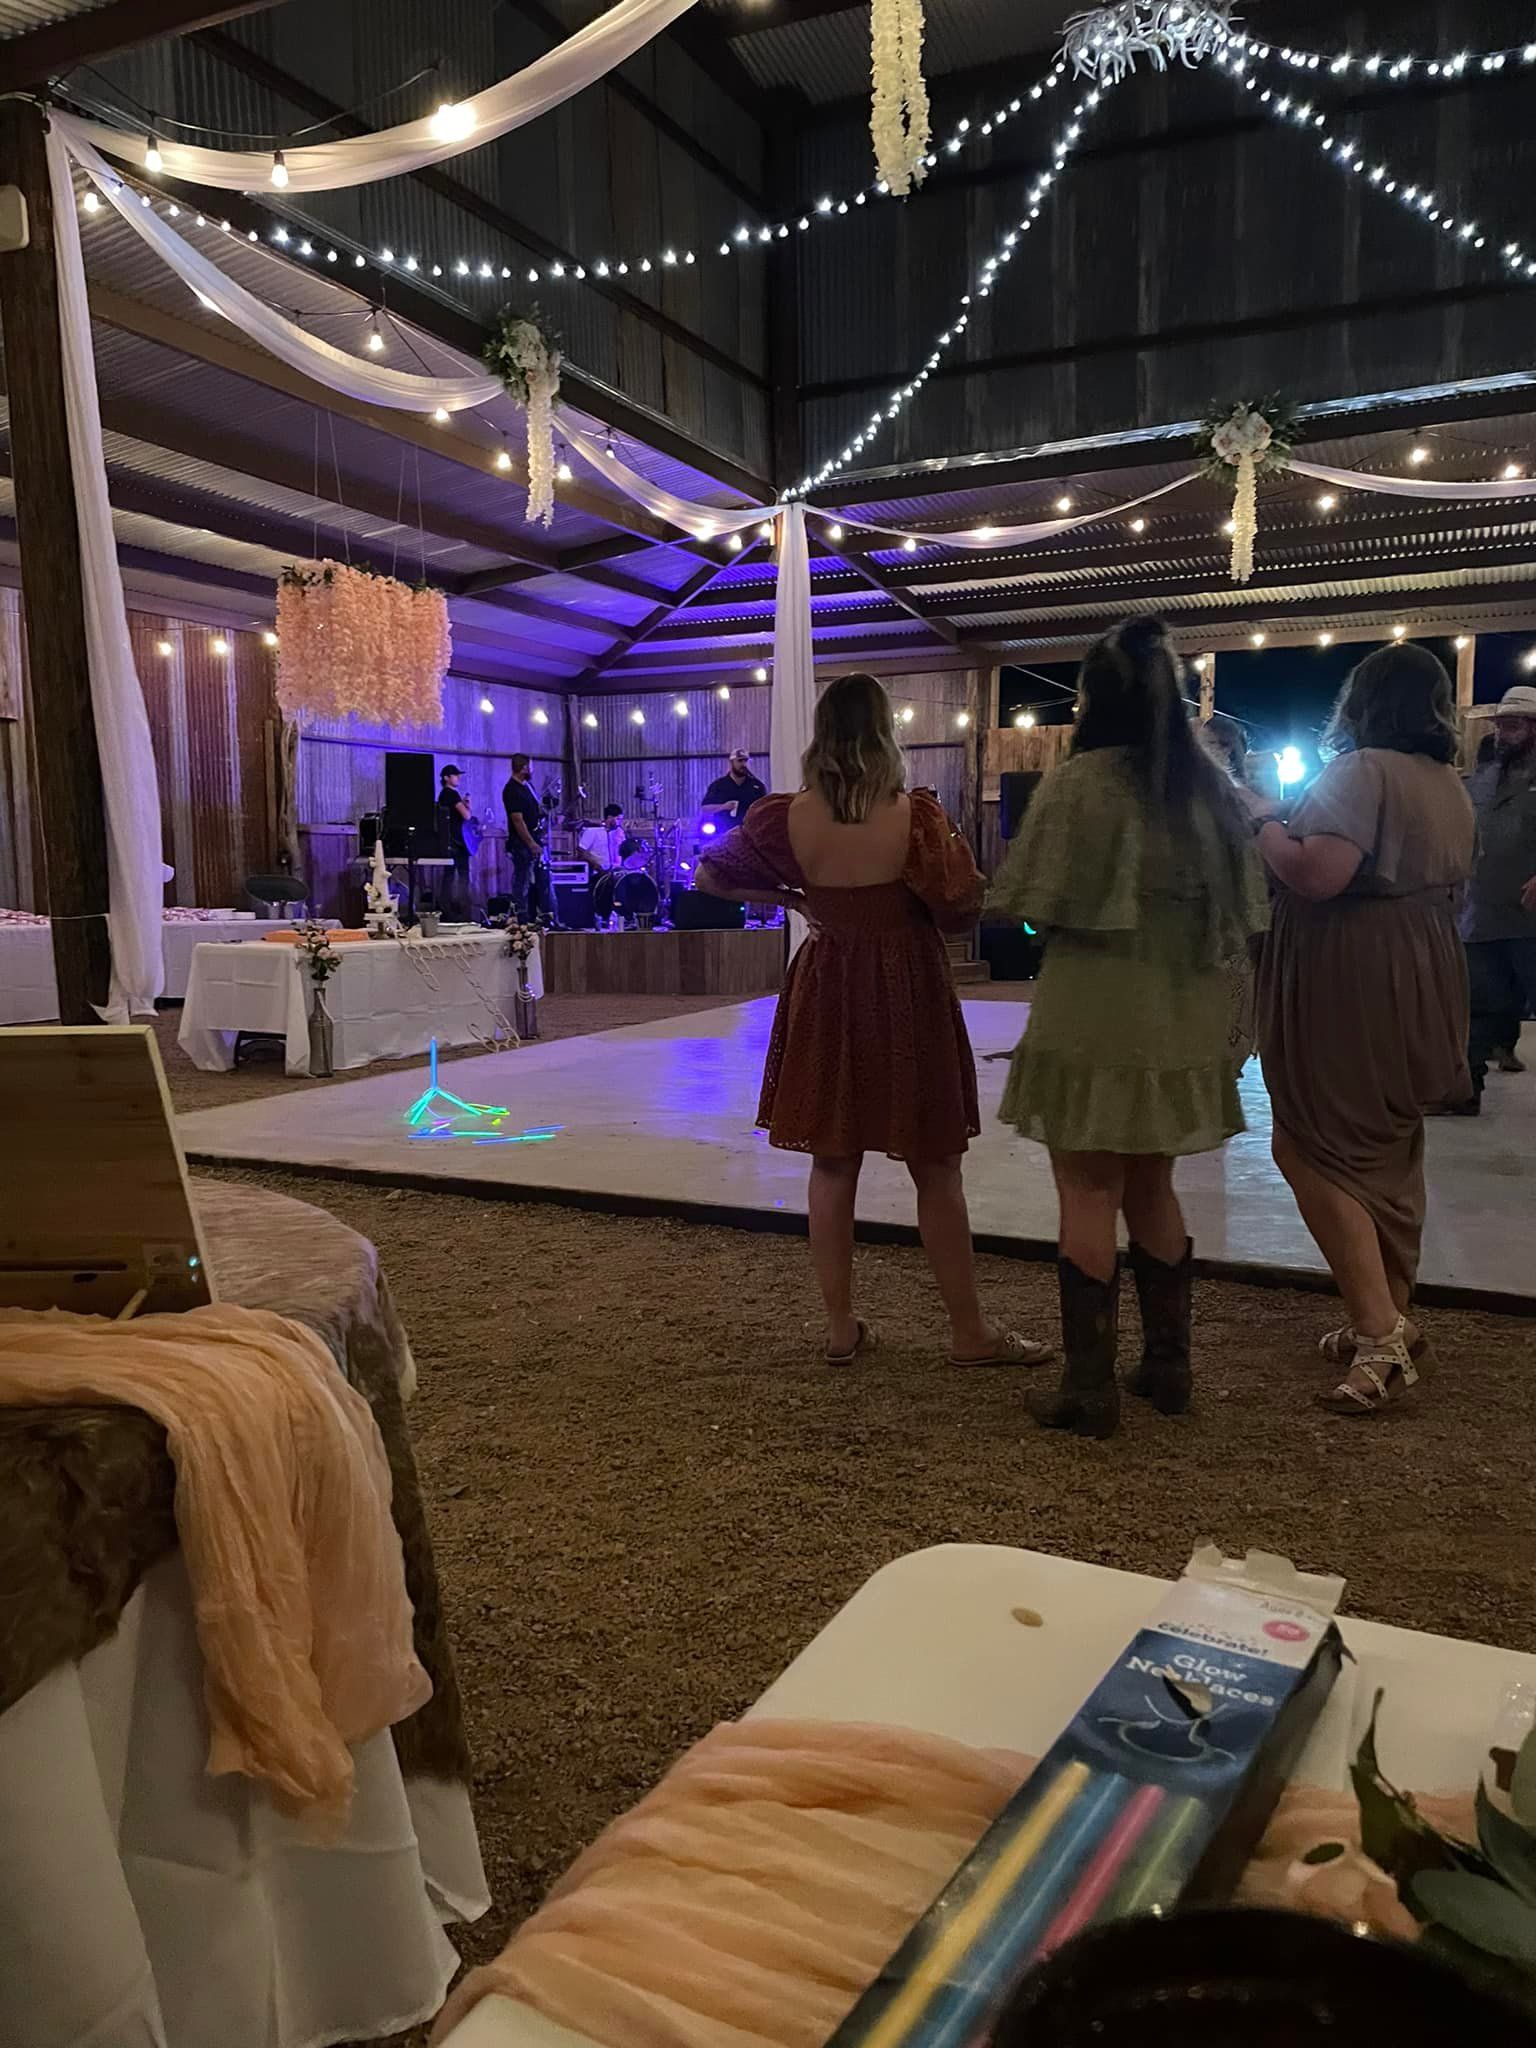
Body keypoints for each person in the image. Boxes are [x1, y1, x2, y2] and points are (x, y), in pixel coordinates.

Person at [696, 672, 1048, 1372]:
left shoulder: (783, 816)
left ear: (822, 736)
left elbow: (710, 876)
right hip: (906, 986)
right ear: (886, 733)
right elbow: (959, 907)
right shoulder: (914, 816)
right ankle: (969, 1331)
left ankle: (839, 1328)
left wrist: (793, 897)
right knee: (935, 1165)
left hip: (828, 984)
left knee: (832, 1161)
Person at [990, 618, 1269, 1440]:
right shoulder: (1208, 788)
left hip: (1090, 1016)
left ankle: (1088, 1388)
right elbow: (1246, 912)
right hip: (1178, 1017)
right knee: (1154, 1186)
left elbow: (1029, 906)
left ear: (1092, 696)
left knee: (1086, 1189)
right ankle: (1168, 1367)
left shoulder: (1080, 786)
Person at [1246, 643, 1474, 1416]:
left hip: (1353, 973)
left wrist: (1265, 820)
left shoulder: (1361, 770)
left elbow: (1317, 875)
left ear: (1362, 701)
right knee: (1386, 1141)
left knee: (1309, 1141)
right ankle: (1390, 1311)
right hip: (1424, 963)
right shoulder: (1448, 781)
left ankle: (1380, 1331)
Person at [1461, 683, 1536, 1105]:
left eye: (1514, 725)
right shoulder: (1483, 780)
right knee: (1476, 1007)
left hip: (1530, 921)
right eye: (1502, 726)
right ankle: (1466, 1089)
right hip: (1483, 914)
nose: (1504, 734)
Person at [501, 753, 553, 923]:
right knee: (522, 880)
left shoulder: (527, 786)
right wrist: (530, 843)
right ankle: (520, 917)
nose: (533, 770)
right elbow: (517, 820)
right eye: (531, 766)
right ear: (523, 768)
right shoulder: (511, 790)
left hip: (536, 838)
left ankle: (545, 915)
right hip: (522, 844)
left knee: (542, 880)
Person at [436, 765, 472, 918]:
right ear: (446, 778)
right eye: (455, 775)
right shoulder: (452, 794)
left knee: (448, 876)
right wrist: (467, 806)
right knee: (462, 876)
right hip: (458, 841)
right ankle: (462, 909)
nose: (458, 778)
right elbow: (466, 816)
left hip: (448, 841)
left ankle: (446, 908)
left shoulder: (443, 795)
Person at [701, 749, 767, 829]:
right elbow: (705, 809)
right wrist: (723, 806)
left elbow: (765, 809)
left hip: (750, 832)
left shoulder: (757, 786)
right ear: (731, 762)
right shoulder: (718, 785)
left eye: (746, 761)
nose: (744, 764)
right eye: (740, 761)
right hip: (724, 832)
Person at [579, 804, 627, 874]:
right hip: (598, 872)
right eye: (618, 819)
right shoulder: (592, 831)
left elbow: (624, 849)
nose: (620, 822)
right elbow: (581, 851)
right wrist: (596, 866)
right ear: (609, 818)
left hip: (617, 871)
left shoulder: (619, 832)